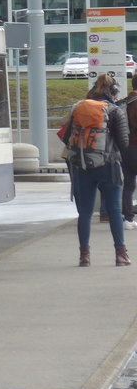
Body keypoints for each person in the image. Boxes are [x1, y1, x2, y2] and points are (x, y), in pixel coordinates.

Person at [63, 74, 130, 267]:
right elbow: (124, 143)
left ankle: (84, 256)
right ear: (114, 92)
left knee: (84, 212)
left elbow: (66, 137)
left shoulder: (79, 108)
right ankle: (121, 254)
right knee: (115, 210)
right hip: (109, 166)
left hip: (82, 166)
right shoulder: (115, 111)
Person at [122, 74, 137, 231]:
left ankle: (128, 219)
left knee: (128, 184)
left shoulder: (125, 101)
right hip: (136, 145)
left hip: (125, 147)